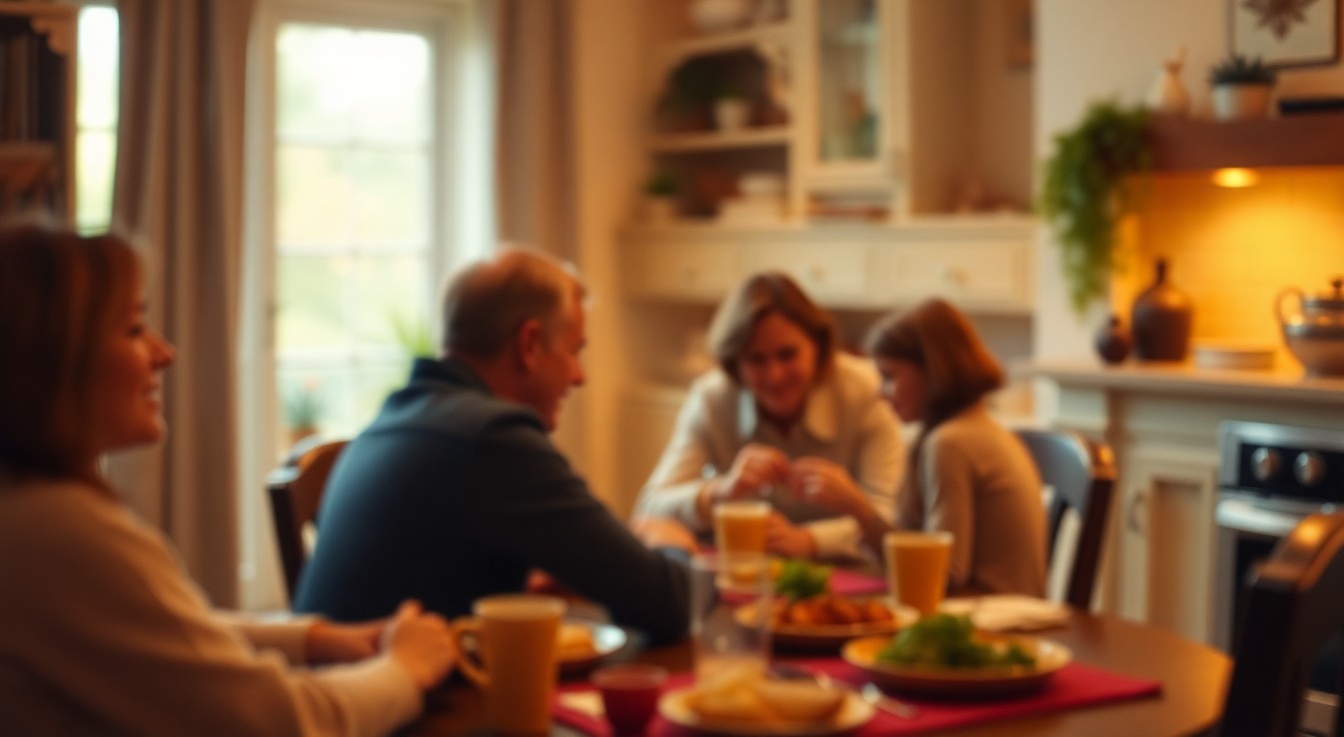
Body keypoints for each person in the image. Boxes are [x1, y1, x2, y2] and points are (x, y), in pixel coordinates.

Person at [0, 226, 457, 736]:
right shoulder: (62, 530)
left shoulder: (25, 507)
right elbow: (282, 724)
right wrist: (405, 668)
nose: (164, 352)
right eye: (133, 330)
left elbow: (165, 638)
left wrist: (315, 640)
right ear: (54, 358)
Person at [294, 245, 694, 643]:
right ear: (530, 344)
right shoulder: (494, 439)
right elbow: (668, 604)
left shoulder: (394, 420)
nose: (579, 377)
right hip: (405, 703)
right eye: (574, 351)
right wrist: (668, 542)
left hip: (336, 693)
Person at [633, 271, 905, 562]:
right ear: (734, 362)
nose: (773, 376)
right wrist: (720, 492)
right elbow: (649, 508)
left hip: (850, 575)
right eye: (755, 359)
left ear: (818, 345)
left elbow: (896, 519)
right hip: (746, 576)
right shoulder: (712, 398)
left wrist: (811, 540)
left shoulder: (867, 390)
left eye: (787, 355)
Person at [845, 297, 1048, 596]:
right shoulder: (972, 429)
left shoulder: (950, 443)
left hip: (990, 621)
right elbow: (912, 542)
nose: (881, 393)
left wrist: (856, 507)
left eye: (890, 376)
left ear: (932, 370)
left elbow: (943, 573)